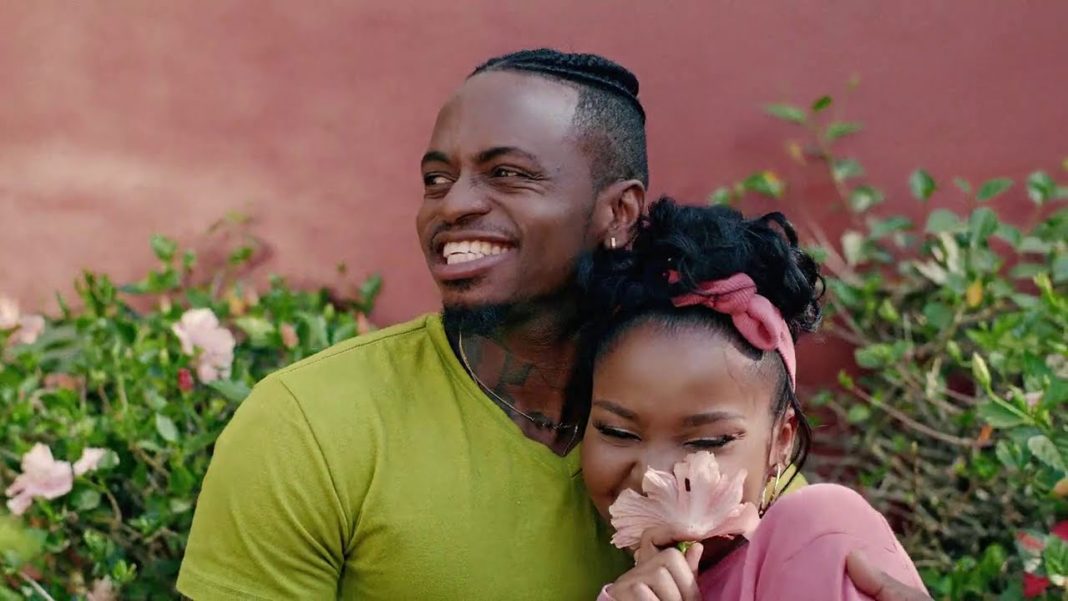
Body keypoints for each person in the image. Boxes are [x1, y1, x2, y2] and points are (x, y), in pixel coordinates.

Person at [177, 49, 933, 600]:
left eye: (506, 174)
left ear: (620, 211)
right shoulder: (311, 425)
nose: (452, 204)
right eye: (437, 178)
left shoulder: (717, 435)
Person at [576, 199, 927, 600]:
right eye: (617, 432)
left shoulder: (821, 533)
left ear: (781, 442)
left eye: (708, 441)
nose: (652, 474)